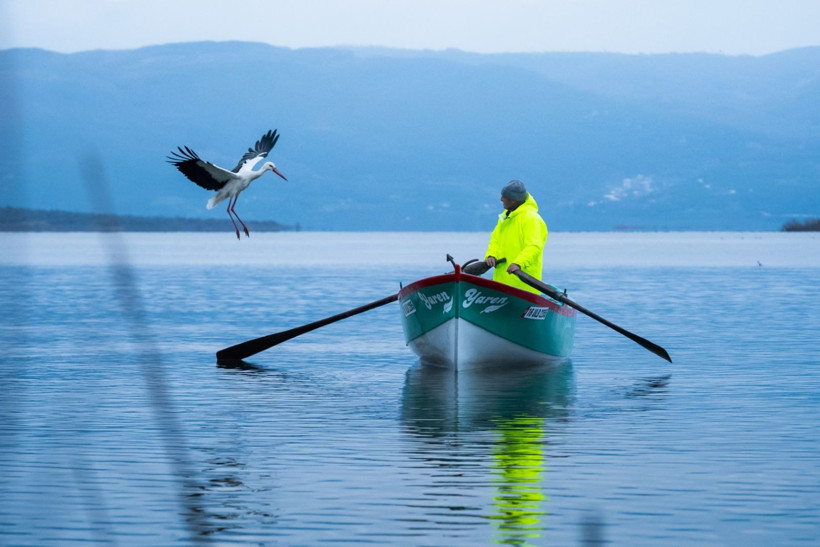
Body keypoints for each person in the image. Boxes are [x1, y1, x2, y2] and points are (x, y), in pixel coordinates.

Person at [483, 179, 547, 294]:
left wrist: (518, 263)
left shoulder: (531, 219)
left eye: (504, 197)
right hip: (501, 284)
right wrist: (491, 255)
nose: (501, 199)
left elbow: (534, 247)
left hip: (524, 287)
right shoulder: (505, 217)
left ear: (513, 200)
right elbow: (495, 240)